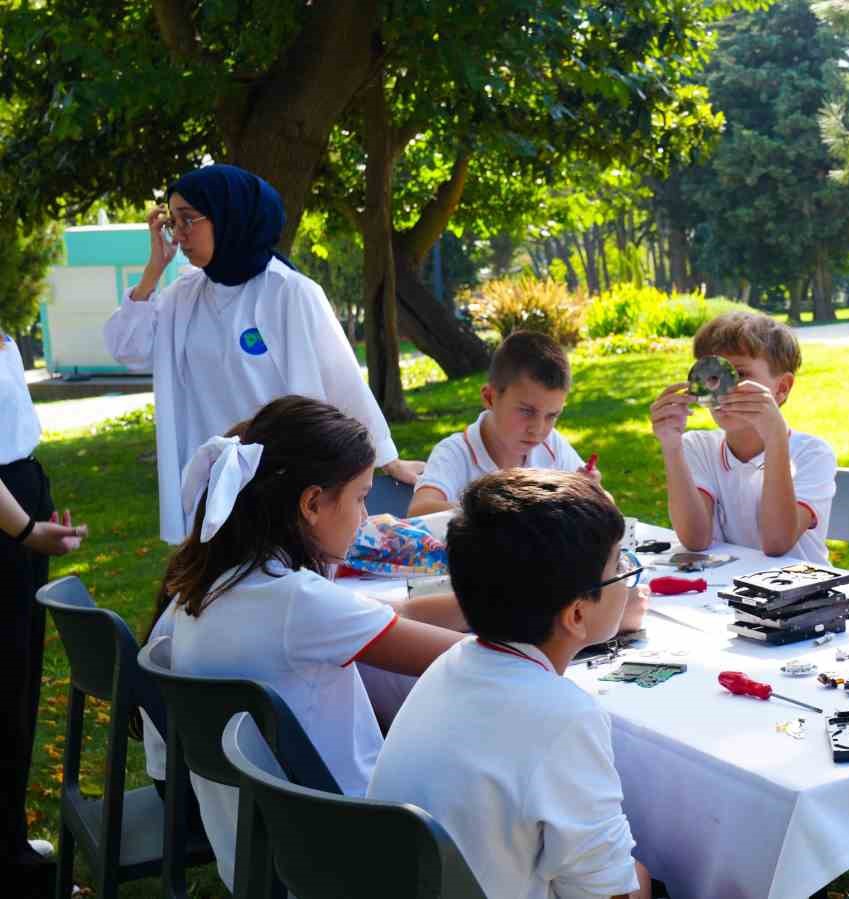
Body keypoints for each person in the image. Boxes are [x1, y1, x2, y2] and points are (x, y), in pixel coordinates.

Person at [160, 396, 467, 888]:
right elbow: (466, 661)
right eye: (362, 497)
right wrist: (550, 614)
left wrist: (485, 602)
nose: (366, 518)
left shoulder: (228, 578)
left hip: (266, 852)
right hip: (348, 853)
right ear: (311, 503)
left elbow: (397, 615)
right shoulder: (296, 602)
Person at [369, 469, 655, 899]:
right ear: (576, 615)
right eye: (620, 567)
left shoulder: (452, 664)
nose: (629, 578)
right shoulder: (565, 716)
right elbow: (611, 893)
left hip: (405, 880)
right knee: (644, 879)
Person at [104, 164, 422, 544]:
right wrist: (154, 272)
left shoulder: (288, 292)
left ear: (228, 216)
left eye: (189, 220)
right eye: (173, 222)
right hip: (207, 483)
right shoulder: (183, 295)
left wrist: (387, 457)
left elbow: (341, 380)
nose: (180, 234)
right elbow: (130, 350)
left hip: (277, 481)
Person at [2, 328, 88, 898]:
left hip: (19, 497)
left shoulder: (5, 334)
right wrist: (27, 528)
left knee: (19, 681)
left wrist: (36, 509)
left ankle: (10, 837)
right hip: (8, 520)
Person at [648, 311, 837, 563]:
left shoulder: (812, 455)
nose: (719, 389)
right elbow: (695, 540)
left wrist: (775, 438)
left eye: (739, 375)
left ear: (781, 389)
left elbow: (776, 543)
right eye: (712, 376)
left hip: (801, 594)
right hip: (726, 589)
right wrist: (671, 447)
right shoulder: (698, 446)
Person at [408, 330, 598, 517]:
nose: (538, 429)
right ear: (490, 398)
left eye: (552, 415)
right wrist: (503, 510)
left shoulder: (552, 446)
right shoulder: (455, 453)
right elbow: (419, 512)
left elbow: (604, 506)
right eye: (526, 411)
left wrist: (591, 493)